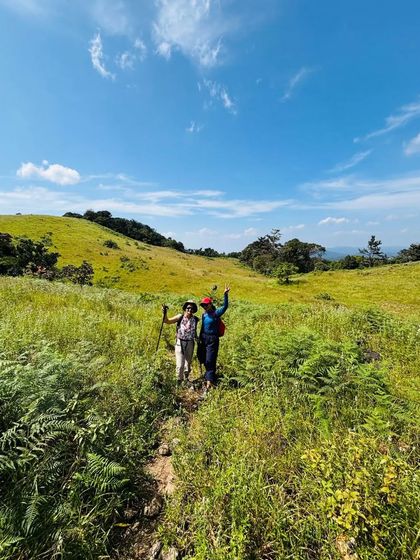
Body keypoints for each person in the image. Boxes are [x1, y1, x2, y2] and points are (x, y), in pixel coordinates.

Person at [199, 285, 230, 392]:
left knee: (210, 359)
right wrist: (200, 338)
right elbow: (202, 327)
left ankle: (209, 383)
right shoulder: (204, 315)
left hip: (213, 339)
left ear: (210, 304)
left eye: (206, 305)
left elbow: (225, 307)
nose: (204, 306)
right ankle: (209, 375)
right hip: (204, 338)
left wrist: (225, 294)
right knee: (203, 358)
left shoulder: (215, 313)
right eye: (203, 305)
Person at [162, 300, 199, 385]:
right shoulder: (180, 317)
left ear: (194, 310)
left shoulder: (195, 319)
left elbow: (194, 331)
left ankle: (186, 379)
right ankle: (179, 381)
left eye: (192, 308)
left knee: (188, 363)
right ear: (185, 308)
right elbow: (167, 321)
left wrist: (197, 338)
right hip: (180, 342)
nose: (190, 310)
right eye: (188, 308)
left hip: (190, 343)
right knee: (180, 364)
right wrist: (164, 313)